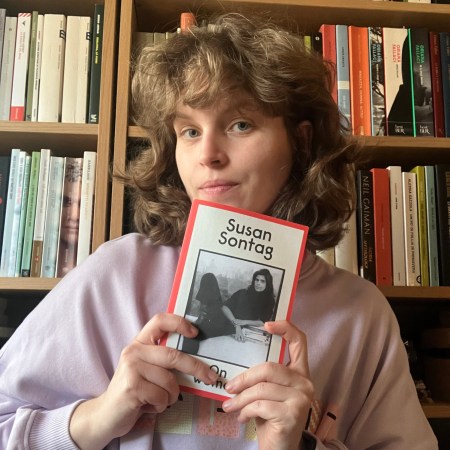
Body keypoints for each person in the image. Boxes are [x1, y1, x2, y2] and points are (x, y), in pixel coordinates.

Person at [0, 13, 438, 450]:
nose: (207, 154)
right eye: (190, 131)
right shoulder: (117, 273)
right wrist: (97, 417)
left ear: (301, 141)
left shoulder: (359, 313)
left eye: (239, 125)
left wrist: (301, 446)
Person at [222, 269, 276, 342]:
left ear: (268, 284)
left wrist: (243, 322)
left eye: (262, 281)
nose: (258, 283)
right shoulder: (242, 293)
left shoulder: (270, 300)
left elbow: (263, 321)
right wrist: (236, 325)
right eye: (257, 280)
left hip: (246, 331)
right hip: (227, 323)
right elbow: (224, 307)